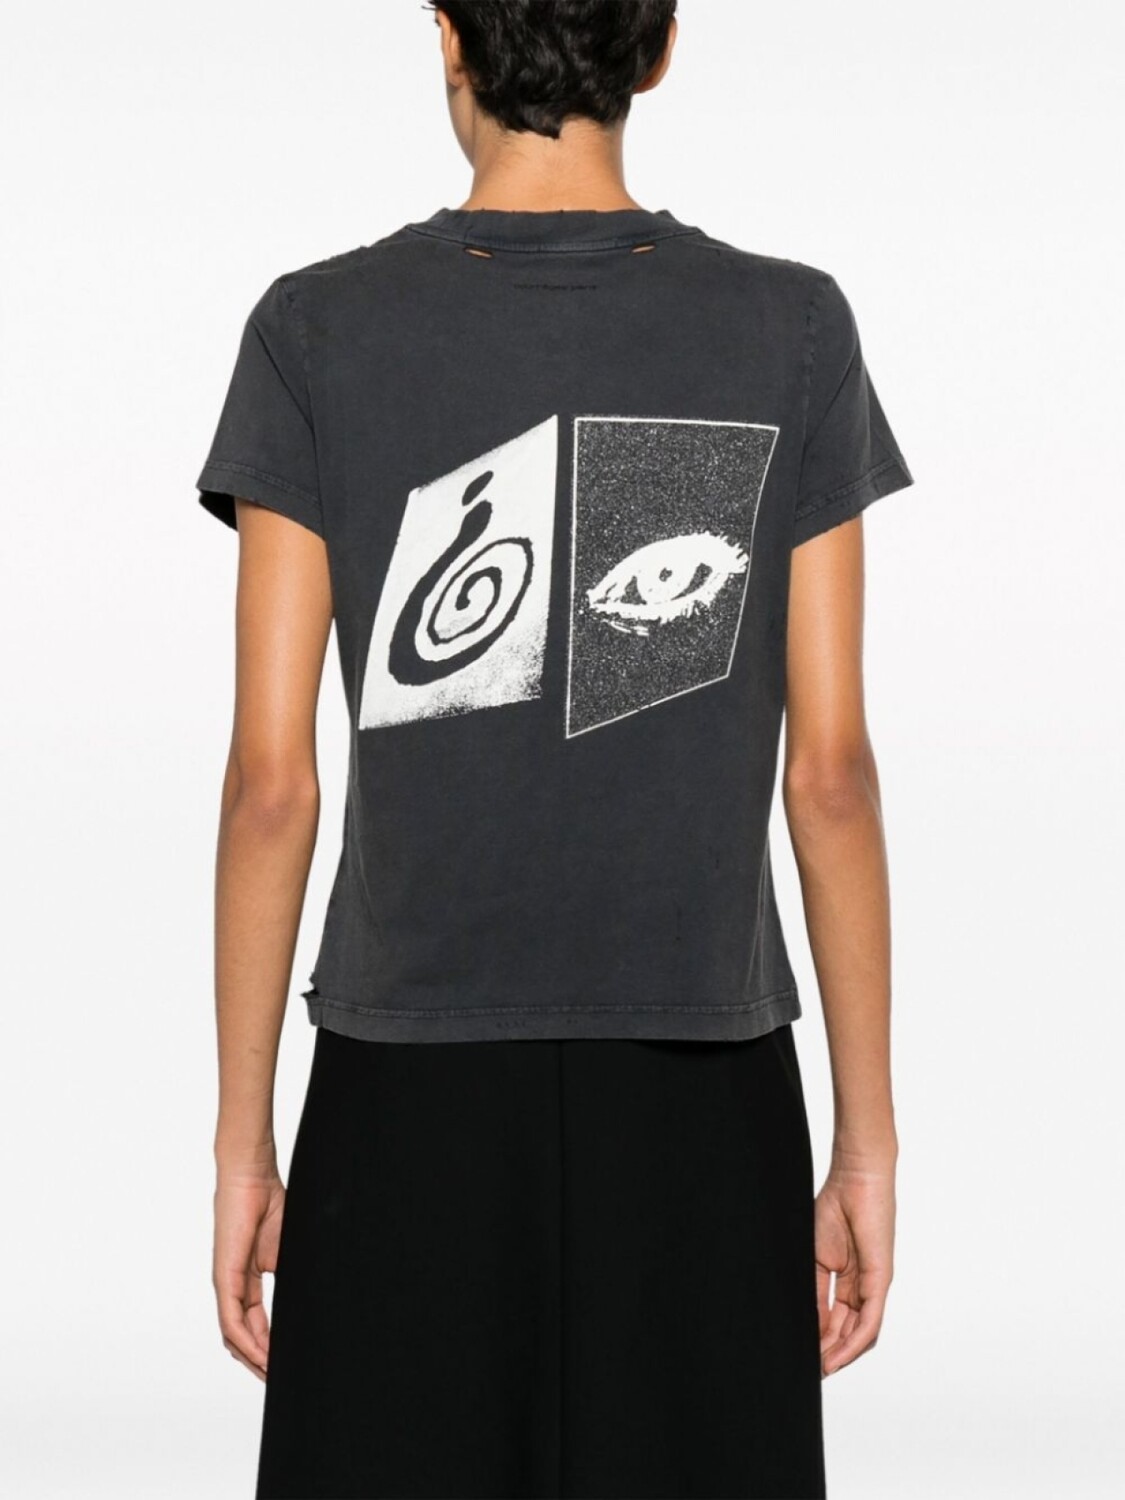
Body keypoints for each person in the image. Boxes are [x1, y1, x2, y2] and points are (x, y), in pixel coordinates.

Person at [197, 3, 912, 1496]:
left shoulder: (315, 330)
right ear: (657, 48)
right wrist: (866, 1142)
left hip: (406, 1086)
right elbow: (831, 773)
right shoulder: (787, 328)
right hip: (700, 1081)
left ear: (449, 40)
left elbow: (272, 784)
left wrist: (244, 1145)